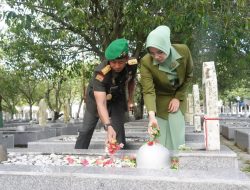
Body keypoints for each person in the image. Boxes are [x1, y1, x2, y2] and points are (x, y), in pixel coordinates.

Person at [75, 38, 137, 149]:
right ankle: (78, 155)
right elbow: (101, 104)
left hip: (117, 98)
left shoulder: (132, 64)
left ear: (127, 59)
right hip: (96, 100)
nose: (117, 66)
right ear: (108, 60)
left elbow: (131, 81)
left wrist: (130, 99)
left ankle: (119, 160)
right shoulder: (101, 72)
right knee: (86, 130)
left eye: (121, 62)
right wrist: (108, 126)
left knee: (118, 133)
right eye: (113, 62)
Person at [140, 25, 193, 150]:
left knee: (177, 133)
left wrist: (178, 98)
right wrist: (151, 116)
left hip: (178, 96)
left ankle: (178, 163)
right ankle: (159, 166)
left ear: (166, 46)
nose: (156, 57)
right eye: (152, 53)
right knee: (158, 136)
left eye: (160, 52)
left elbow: (188, 76)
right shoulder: (146, 61)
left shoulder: (183, 51)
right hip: (159, 98)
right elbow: (148, 90)